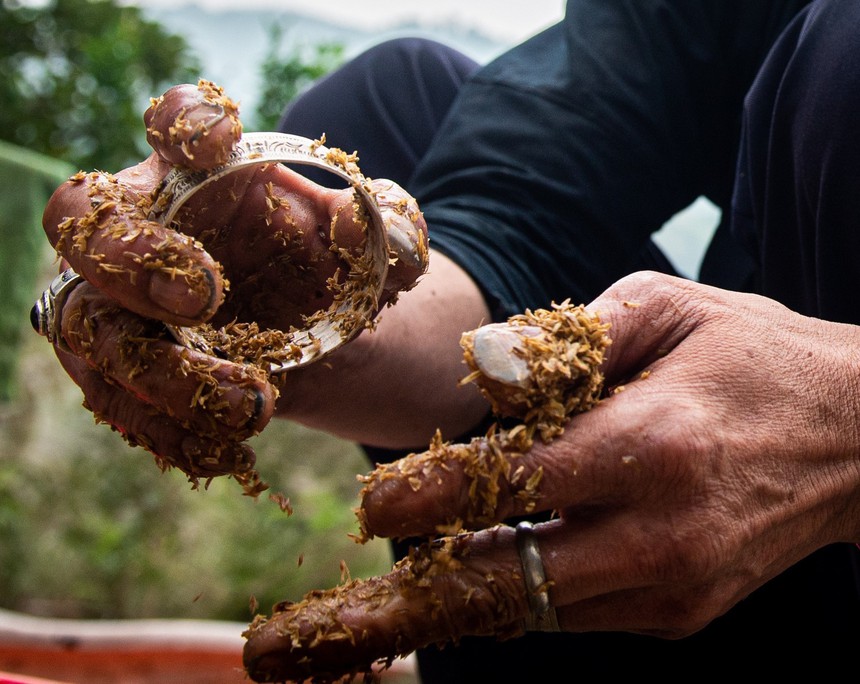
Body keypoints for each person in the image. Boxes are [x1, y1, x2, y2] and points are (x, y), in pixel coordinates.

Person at [33, 0, 860, 679]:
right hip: (702, 487)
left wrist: (841, 418)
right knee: (389, 101)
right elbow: (524, 209)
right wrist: (306, 319)